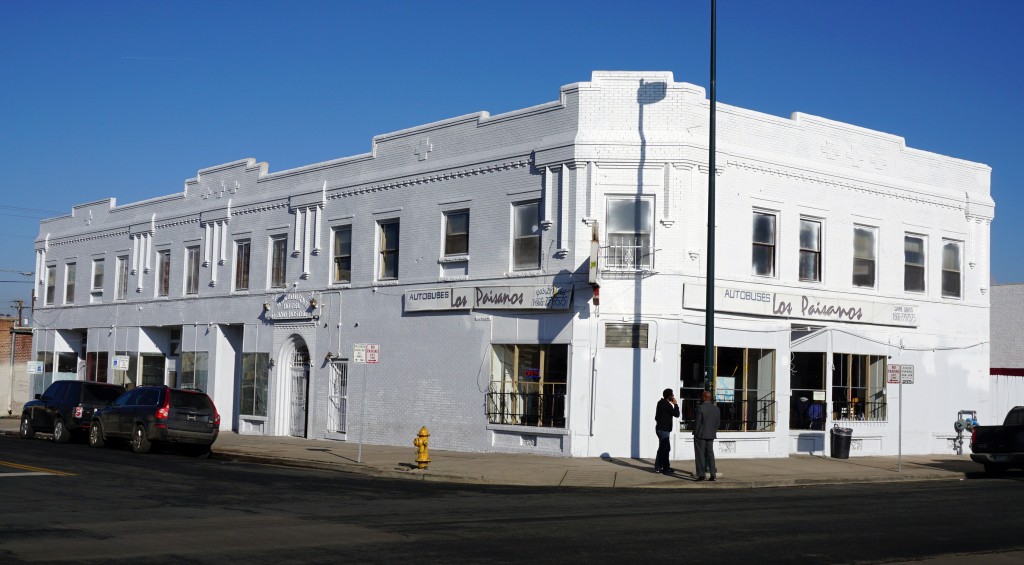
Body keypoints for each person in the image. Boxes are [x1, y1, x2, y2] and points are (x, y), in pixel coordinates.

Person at [693, 390, 721, 481]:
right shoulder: (716, 409)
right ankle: (713, 475)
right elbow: (717, 423)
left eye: (702, 396)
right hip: (711, 434)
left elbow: (698, 423)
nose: (701, 398)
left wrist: (695, 433)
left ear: (705, 397)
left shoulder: (700, 408)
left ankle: (701, 475)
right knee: (710, 454)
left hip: (701, 435)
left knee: (700, 455)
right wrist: (713, 431)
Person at [654, 388, 680, 474]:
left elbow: (656, 417)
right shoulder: (667, 405)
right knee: (664, 449)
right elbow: (676, 414)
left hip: (659, 428)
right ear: (669, 396)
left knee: (663, 448)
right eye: (672, 395)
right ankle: (663, 468)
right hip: (664, 430)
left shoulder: (660, 403)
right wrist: (675, 404)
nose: (673, 396)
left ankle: (662, 467)